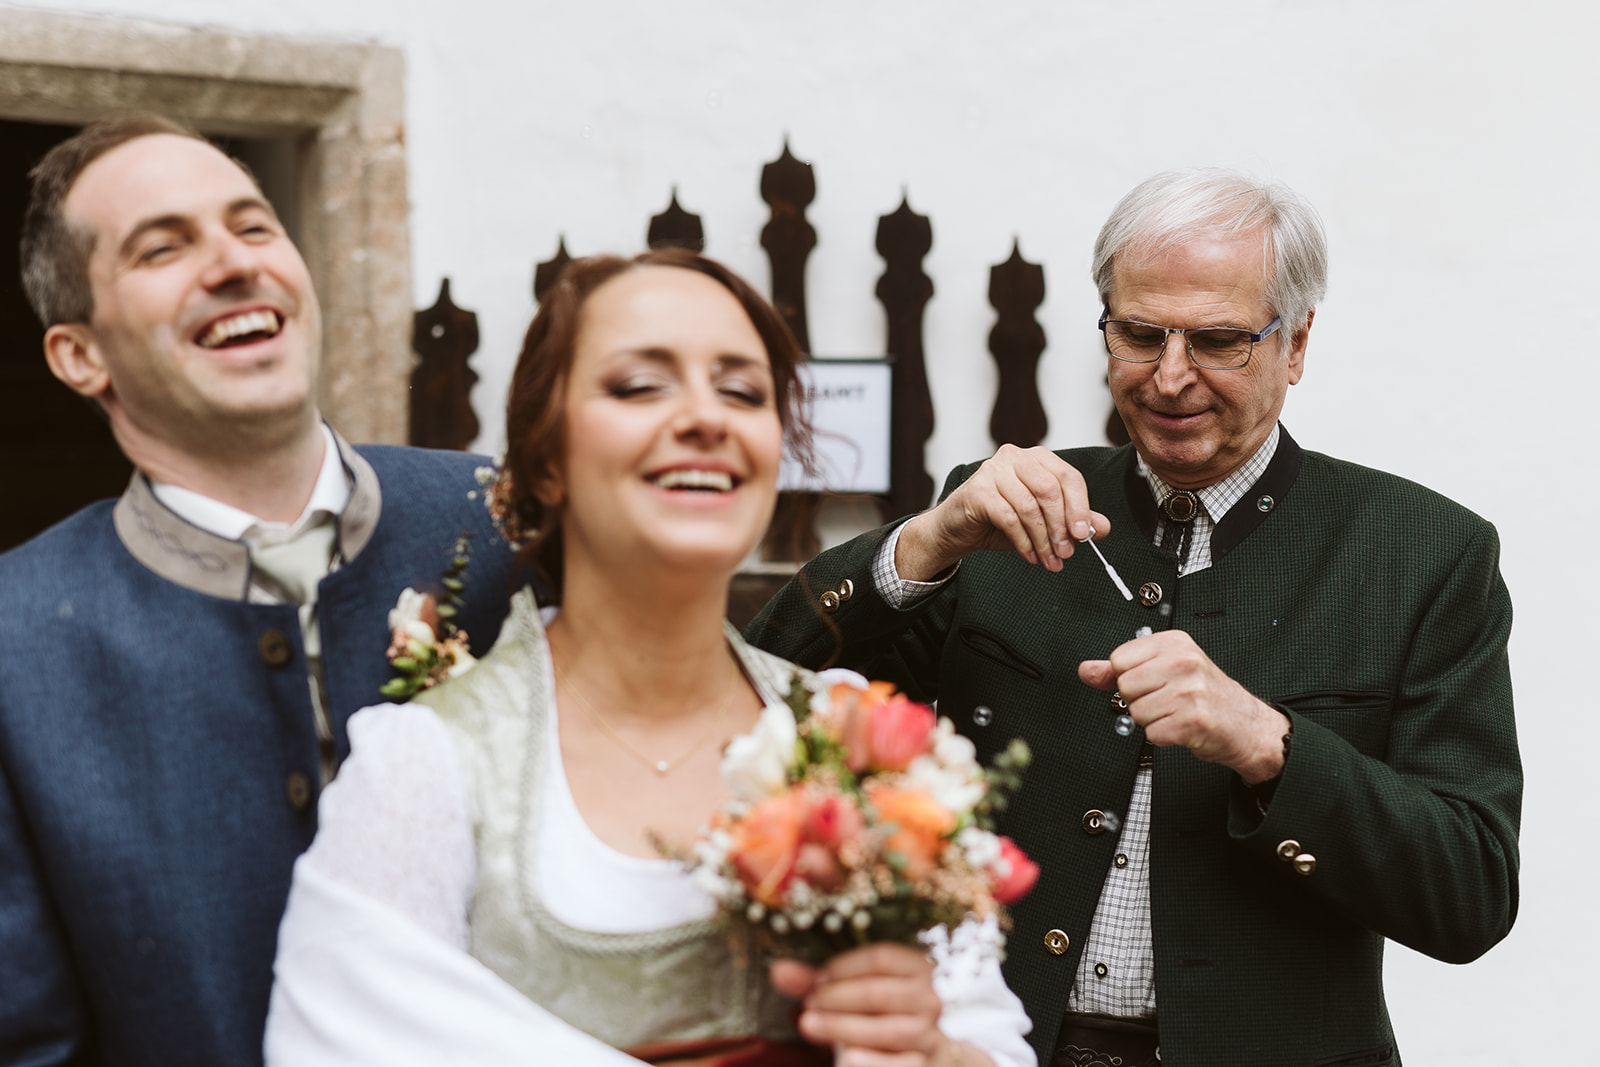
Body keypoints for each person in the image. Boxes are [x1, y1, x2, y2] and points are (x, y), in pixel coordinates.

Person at [745, 169, 1521, 1067]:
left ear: (1298, 342)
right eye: (1139, 334)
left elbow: (1470, 896)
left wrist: (1270, 745)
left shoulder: (1425, 552)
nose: (1171, 376)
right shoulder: (992, 519)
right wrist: (923, 543)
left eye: (1220, 341)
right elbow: (760, 693)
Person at [264, 250, 1036, 1067]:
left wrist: (929, 1048)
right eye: (638, 385)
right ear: (547, 455)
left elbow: (989, 1040)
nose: (707, 417)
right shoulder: (428, 764)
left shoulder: (864, 744)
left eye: (743, 391)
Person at [0, 114, 517, 1066]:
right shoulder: (11, 644)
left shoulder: (505, 522)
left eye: (253, 226)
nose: (233, 264)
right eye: (163, 247)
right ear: (81, 356)